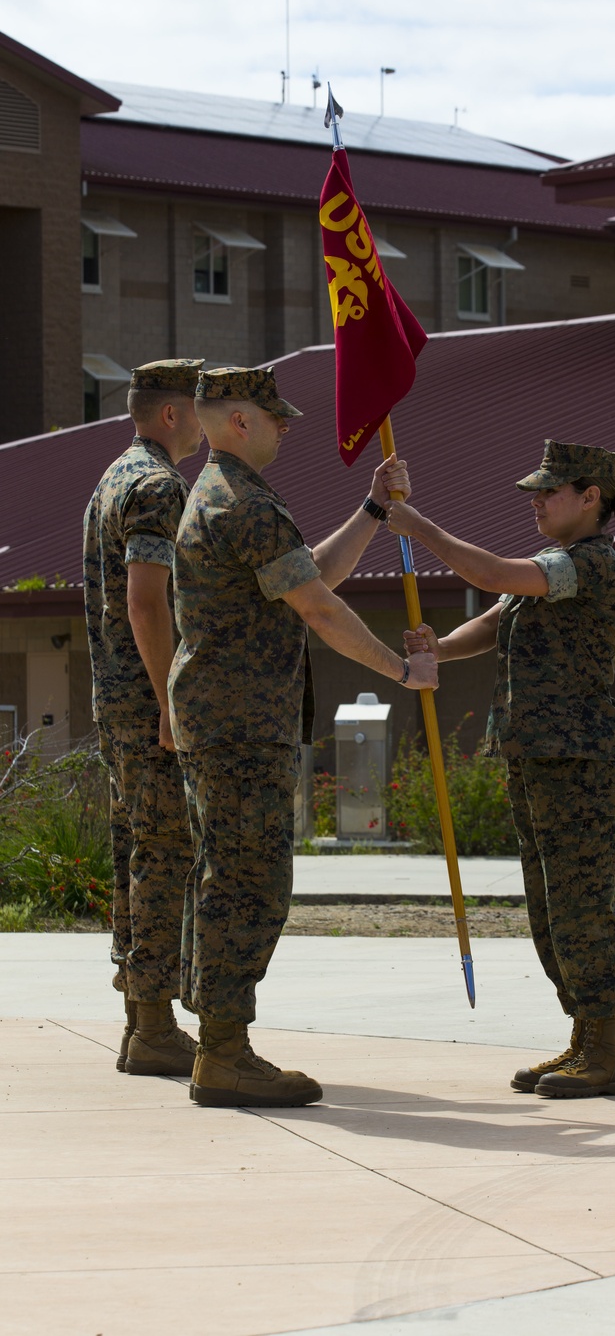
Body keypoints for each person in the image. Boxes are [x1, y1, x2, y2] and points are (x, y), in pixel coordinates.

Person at [168, 365, 437, 1109]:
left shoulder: (226, 496)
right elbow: (317, 608)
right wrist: (401, 672)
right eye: (274, 415)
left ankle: (219, 1041)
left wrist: (373, 510)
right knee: (250, 883)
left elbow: (309, 575)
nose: (287, 426)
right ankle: (223, 1052)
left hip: (229, 719)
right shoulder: (243, 503)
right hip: (241, 723)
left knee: (230, 875)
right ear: (237, 421)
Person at [386, 439, 615, 1098]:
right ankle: (583, 1036)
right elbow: (497, 619)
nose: (536, 501)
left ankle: (604, 1049)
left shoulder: (592, 564)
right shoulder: (552, 567)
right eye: (534, 490)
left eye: (550, 491)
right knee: (549, 907)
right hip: (536, 754)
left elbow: (495, 578)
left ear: (591, 497)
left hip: (578, 758)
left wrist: (420, 528)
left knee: (580, 905)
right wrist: (437, 650)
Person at [83, 357, 205, 1077]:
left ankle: (140, 1018)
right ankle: (155, 1022)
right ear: (171, 414)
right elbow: (145, 600)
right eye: (197, 410)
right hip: (145, 701)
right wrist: (170, 699)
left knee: (136, 848)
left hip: (114, 700)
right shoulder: (159, 485)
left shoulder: (113, 477)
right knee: (164, 853)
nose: (204, 425)